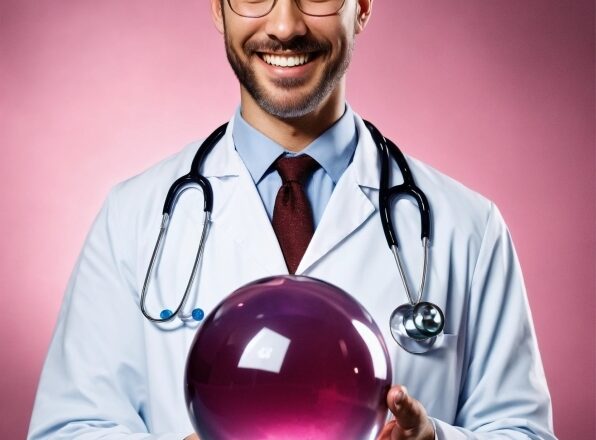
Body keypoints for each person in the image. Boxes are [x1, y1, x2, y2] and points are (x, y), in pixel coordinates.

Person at [28, 0, 557, 439]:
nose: (285, 26)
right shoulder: (133, 217)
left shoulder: (468, 227)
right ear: (217, 7)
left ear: (364, 6)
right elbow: (69, 427)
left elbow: (522, 430)